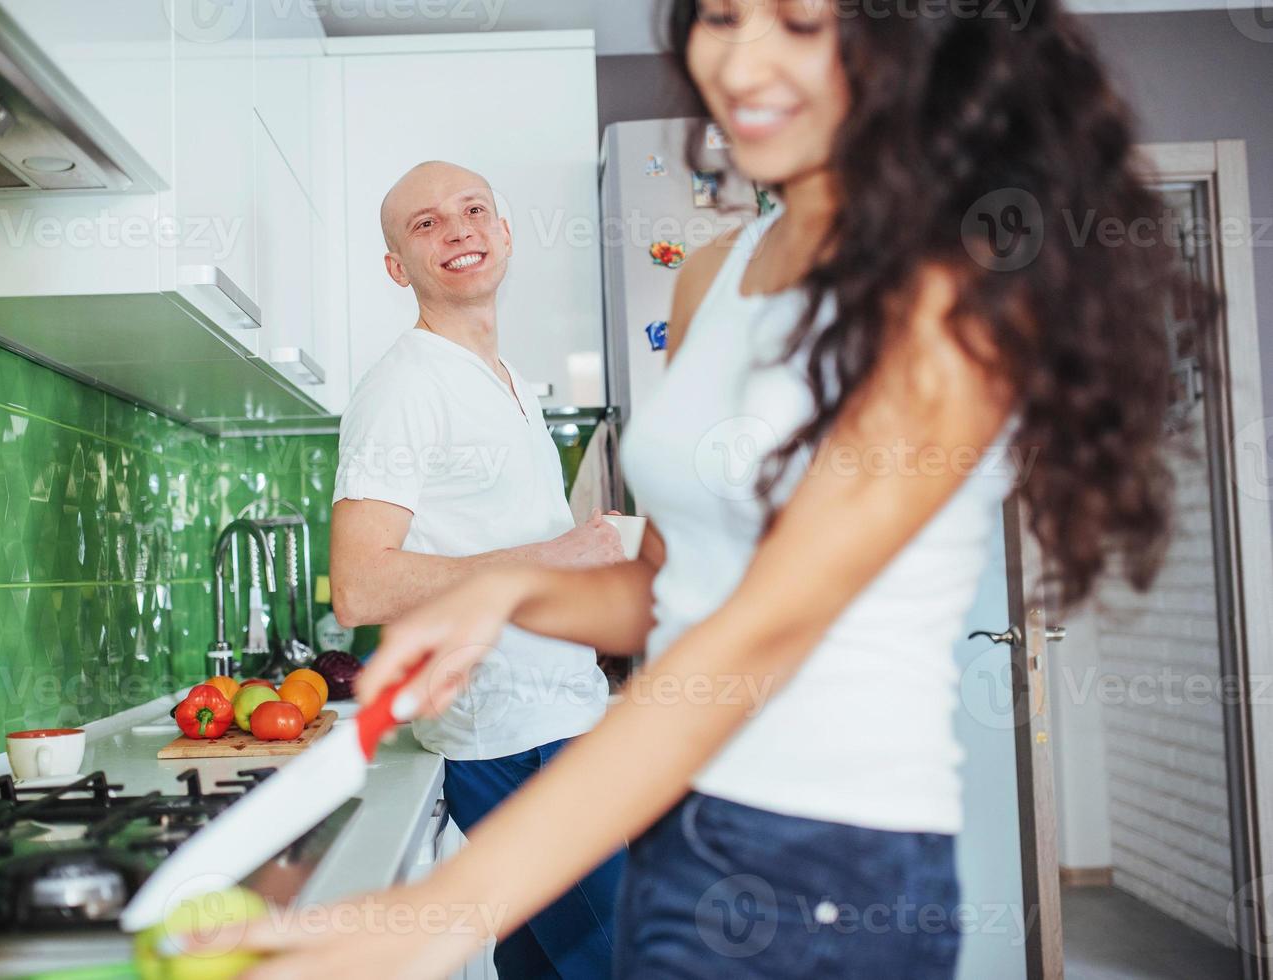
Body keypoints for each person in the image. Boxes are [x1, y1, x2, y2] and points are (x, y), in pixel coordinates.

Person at [215, 2, 1198, 977]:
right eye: (720, 18)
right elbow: (665, 592)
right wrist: (500, 593)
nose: (741, 59)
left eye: (799, 23)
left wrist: (431, 911)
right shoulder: (710, 276)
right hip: (681, 812)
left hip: (831, 857)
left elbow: (758, 633)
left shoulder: (937, 297)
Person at [328, 160, 628, 978]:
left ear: (503, 233)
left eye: (473, 211)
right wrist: (553, 556)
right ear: (397, 267)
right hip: (513, 741)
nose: (457, 229)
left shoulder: (508, 380)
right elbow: (360, 585)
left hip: (562, 724)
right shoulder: (403, 387)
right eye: (425, 224)